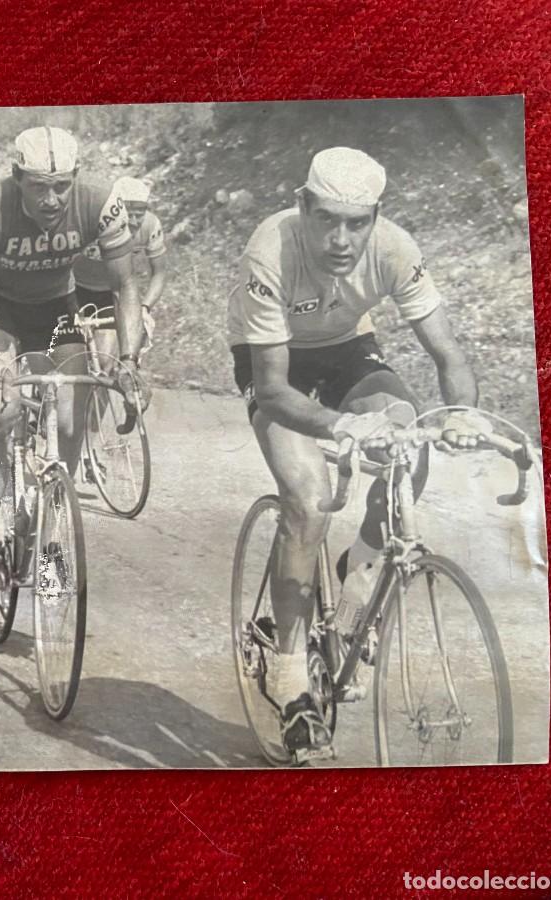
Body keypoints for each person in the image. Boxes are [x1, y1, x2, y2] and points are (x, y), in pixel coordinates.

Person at [227, 146, 487, 758]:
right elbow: (273, 390)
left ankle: (356, 574)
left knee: (407, 445)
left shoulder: (395, 247)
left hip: (348, 347)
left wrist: (459, 415)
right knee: (309, 500)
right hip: (275, 362)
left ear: (376, 217)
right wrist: (341, 425)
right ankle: (289, 676)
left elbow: (447, 353)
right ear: (303, 208)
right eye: (328, 220)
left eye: (358, 222)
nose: (342, 239)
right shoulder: (270, 250)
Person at [0, 126, 150, 588]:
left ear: (75, 177)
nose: (52, 199)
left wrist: (130, 362)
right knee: (4, 406)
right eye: (39, 188)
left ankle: (50, 518)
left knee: (73, 419)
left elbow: (125, 287)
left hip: (56, 304)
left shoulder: (101, 201)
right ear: (18, 179)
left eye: (61, 186)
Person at [72, 175, 166, 365]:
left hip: (112, 294)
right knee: (68, 357)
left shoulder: (150, 226)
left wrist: (144, 307)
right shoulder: (98, 221)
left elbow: (159, 273)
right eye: (126, 212)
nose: (132, 220)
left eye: (139, 213)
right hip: (74, 290)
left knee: (105, 360)